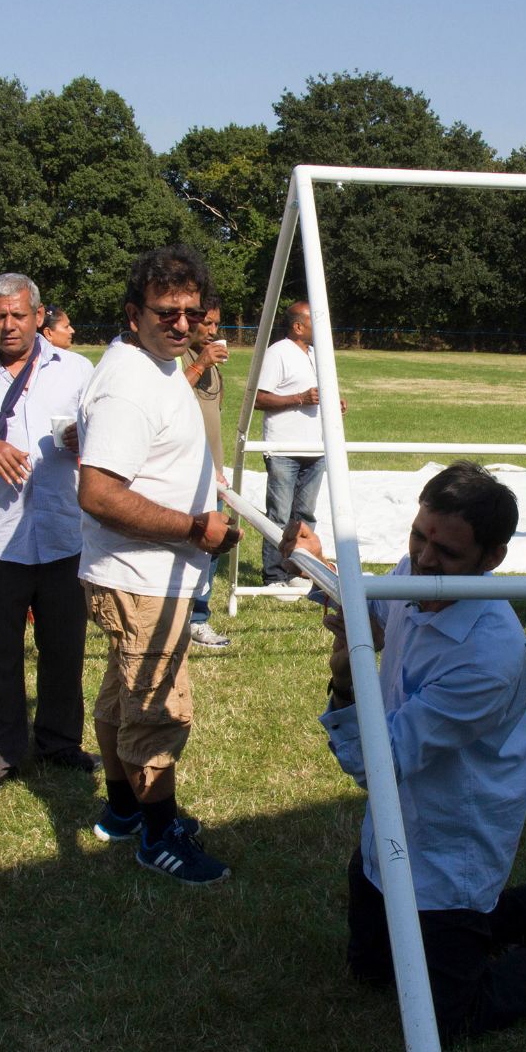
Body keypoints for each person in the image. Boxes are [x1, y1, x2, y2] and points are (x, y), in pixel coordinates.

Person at [280, 462, 526, 1042]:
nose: (423, 560)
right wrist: (324, 569)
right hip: (394, 834)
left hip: (453, 845)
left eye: (446, 553)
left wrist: (347, 682)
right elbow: (377, 607)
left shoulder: (488, 655)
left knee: (453, 1018)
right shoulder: (417, 576)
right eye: (418, 537)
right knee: (372, 971)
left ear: (490, 560)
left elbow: (378, 762)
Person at [78, 245, 240, 883]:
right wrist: (197, 528)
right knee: (156, 708)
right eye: (166, 312)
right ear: (132, 313)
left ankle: (122, 814)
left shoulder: (157, 365)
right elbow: (98, 493)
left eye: (191, 313)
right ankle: (157, 834)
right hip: (142, 576)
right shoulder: (130, 382)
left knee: (123, 697)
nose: (181, 324)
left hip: (148, 574)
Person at [0, 273, 99, 804]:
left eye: (18, 316)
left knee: (64, 650)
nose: (8, 326)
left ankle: (59, 742)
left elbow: (109, 435)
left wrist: (84, 437)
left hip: (63, 533)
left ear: (38, 315)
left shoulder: (77, 370)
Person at [255, 300, 344, 596]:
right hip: (283, 449)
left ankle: (299, 570)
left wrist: (335, 403)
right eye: (314, 321)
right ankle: (273, 576)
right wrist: (299, 398)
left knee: (305, 516)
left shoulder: (317, 355)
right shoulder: (277, 353)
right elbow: (259, 399)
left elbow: (322, 393)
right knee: (279, 516)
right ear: (297, 326)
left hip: (317, 448)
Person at [182, 294, 233, 651]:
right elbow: (167, 398)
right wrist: (200, 362)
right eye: (208, 323)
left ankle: (198, 618)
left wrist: (218, 466)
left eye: (217, 324)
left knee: (215, 543)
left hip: (210, 474)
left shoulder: (210, 361)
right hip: (180, 473)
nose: (214, 331)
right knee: (186, 543)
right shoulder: (177, 356)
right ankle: (183, 617)